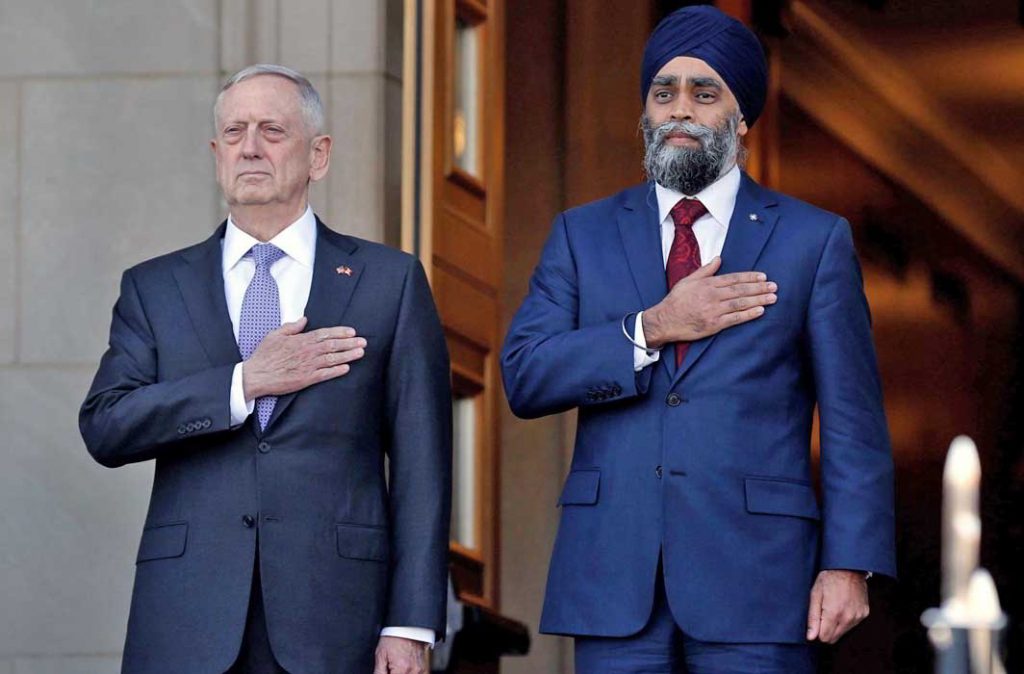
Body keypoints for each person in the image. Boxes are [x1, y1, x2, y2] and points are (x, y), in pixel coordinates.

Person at [501, 6, 895, 673]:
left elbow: (853, 420)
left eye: (704, 93)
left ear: (741, 118)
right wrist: (650, 328)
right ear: (645, 113)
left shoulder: (811, 241)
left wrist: (849, 562)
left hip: (759, 579)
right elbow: (524, 374)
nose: (680, 109)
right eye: (664, 92)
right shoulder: (582, 234)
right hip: (613, 576)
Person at [80, 64, 451, 674]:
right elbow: (105, 425)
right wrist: (241, 384)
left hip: (336, 614)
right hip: (187, 615)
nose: (249, 147)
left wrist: (410, 623)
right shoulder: (155, 287)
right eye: (233, 132)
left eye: (273, 130)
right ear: (216, 152)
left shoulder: (389, 282)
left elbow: (422, 465)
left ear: (319, 155)